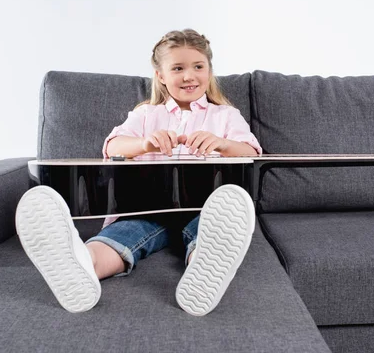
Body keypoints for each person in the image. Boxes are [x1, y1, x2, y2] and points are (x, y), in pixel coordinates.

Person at [16, 29, 262, 316]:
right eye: (178, 68)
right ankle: (83, 265)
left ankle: (204, 270)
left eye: (198, 67)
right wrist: (144, 143)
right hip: (146, 208)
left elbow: (251, 152)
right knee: (122, 235)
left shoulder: (225, 116)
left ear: (209, 70)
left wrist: (222, 143)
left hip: (205, 208)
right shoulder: (146, 114)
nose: (189, 76)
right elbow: (112, 146)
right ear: (160, 75)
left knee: (208, 233)